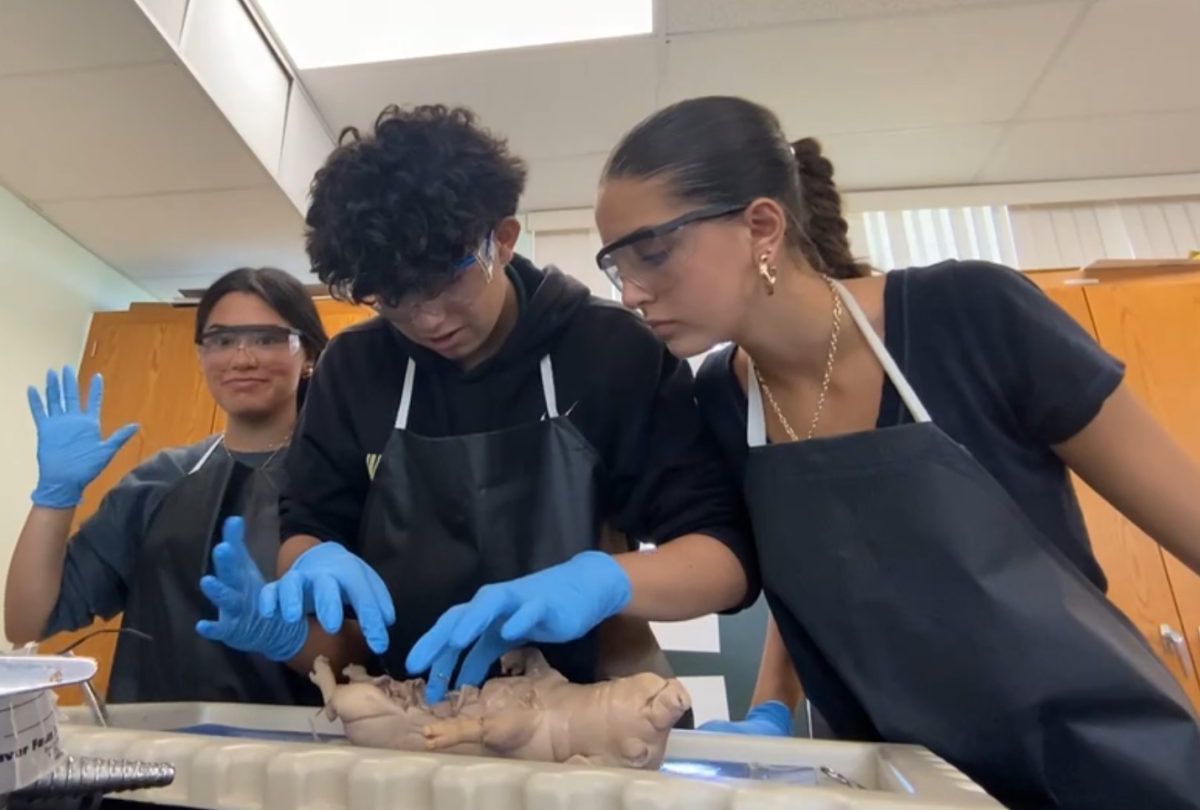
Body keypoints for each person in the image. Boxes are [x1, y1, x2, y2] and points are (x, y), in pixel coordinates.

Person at [592, 96, 1200, 809]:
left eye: (653, 254)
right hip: (903, 786)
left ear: (761, 225)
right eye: (615, 266)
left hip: (1104, 767)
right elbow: (825, 580)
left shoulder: (971, 316)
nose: (631, 293)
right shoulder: (723, 405)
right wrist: (772, 713)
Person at [198, 104, 757, 704]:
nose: (429, 318)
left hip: (583, 709)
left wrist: (603, 581)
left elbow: (723, 559)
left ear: (505, 237)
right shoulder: (354, 369)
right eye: (395, 299)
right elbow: (309, 524)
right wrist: (312, 560)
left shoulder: (611, 350)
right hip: (406, 706)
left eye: (447, 281)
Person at [6, 267, 329, 705]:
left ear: (307, 353)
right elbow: (26, 622)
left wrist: (285, 635)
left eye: (267, 338)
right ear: (201, 354)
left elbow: (370, 649)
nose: (242, 358)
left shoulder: (336, 482)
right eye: (221, 339)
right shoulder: (158, 480)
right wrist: (53, 499)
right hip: (152, 746)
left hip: (297, 753)